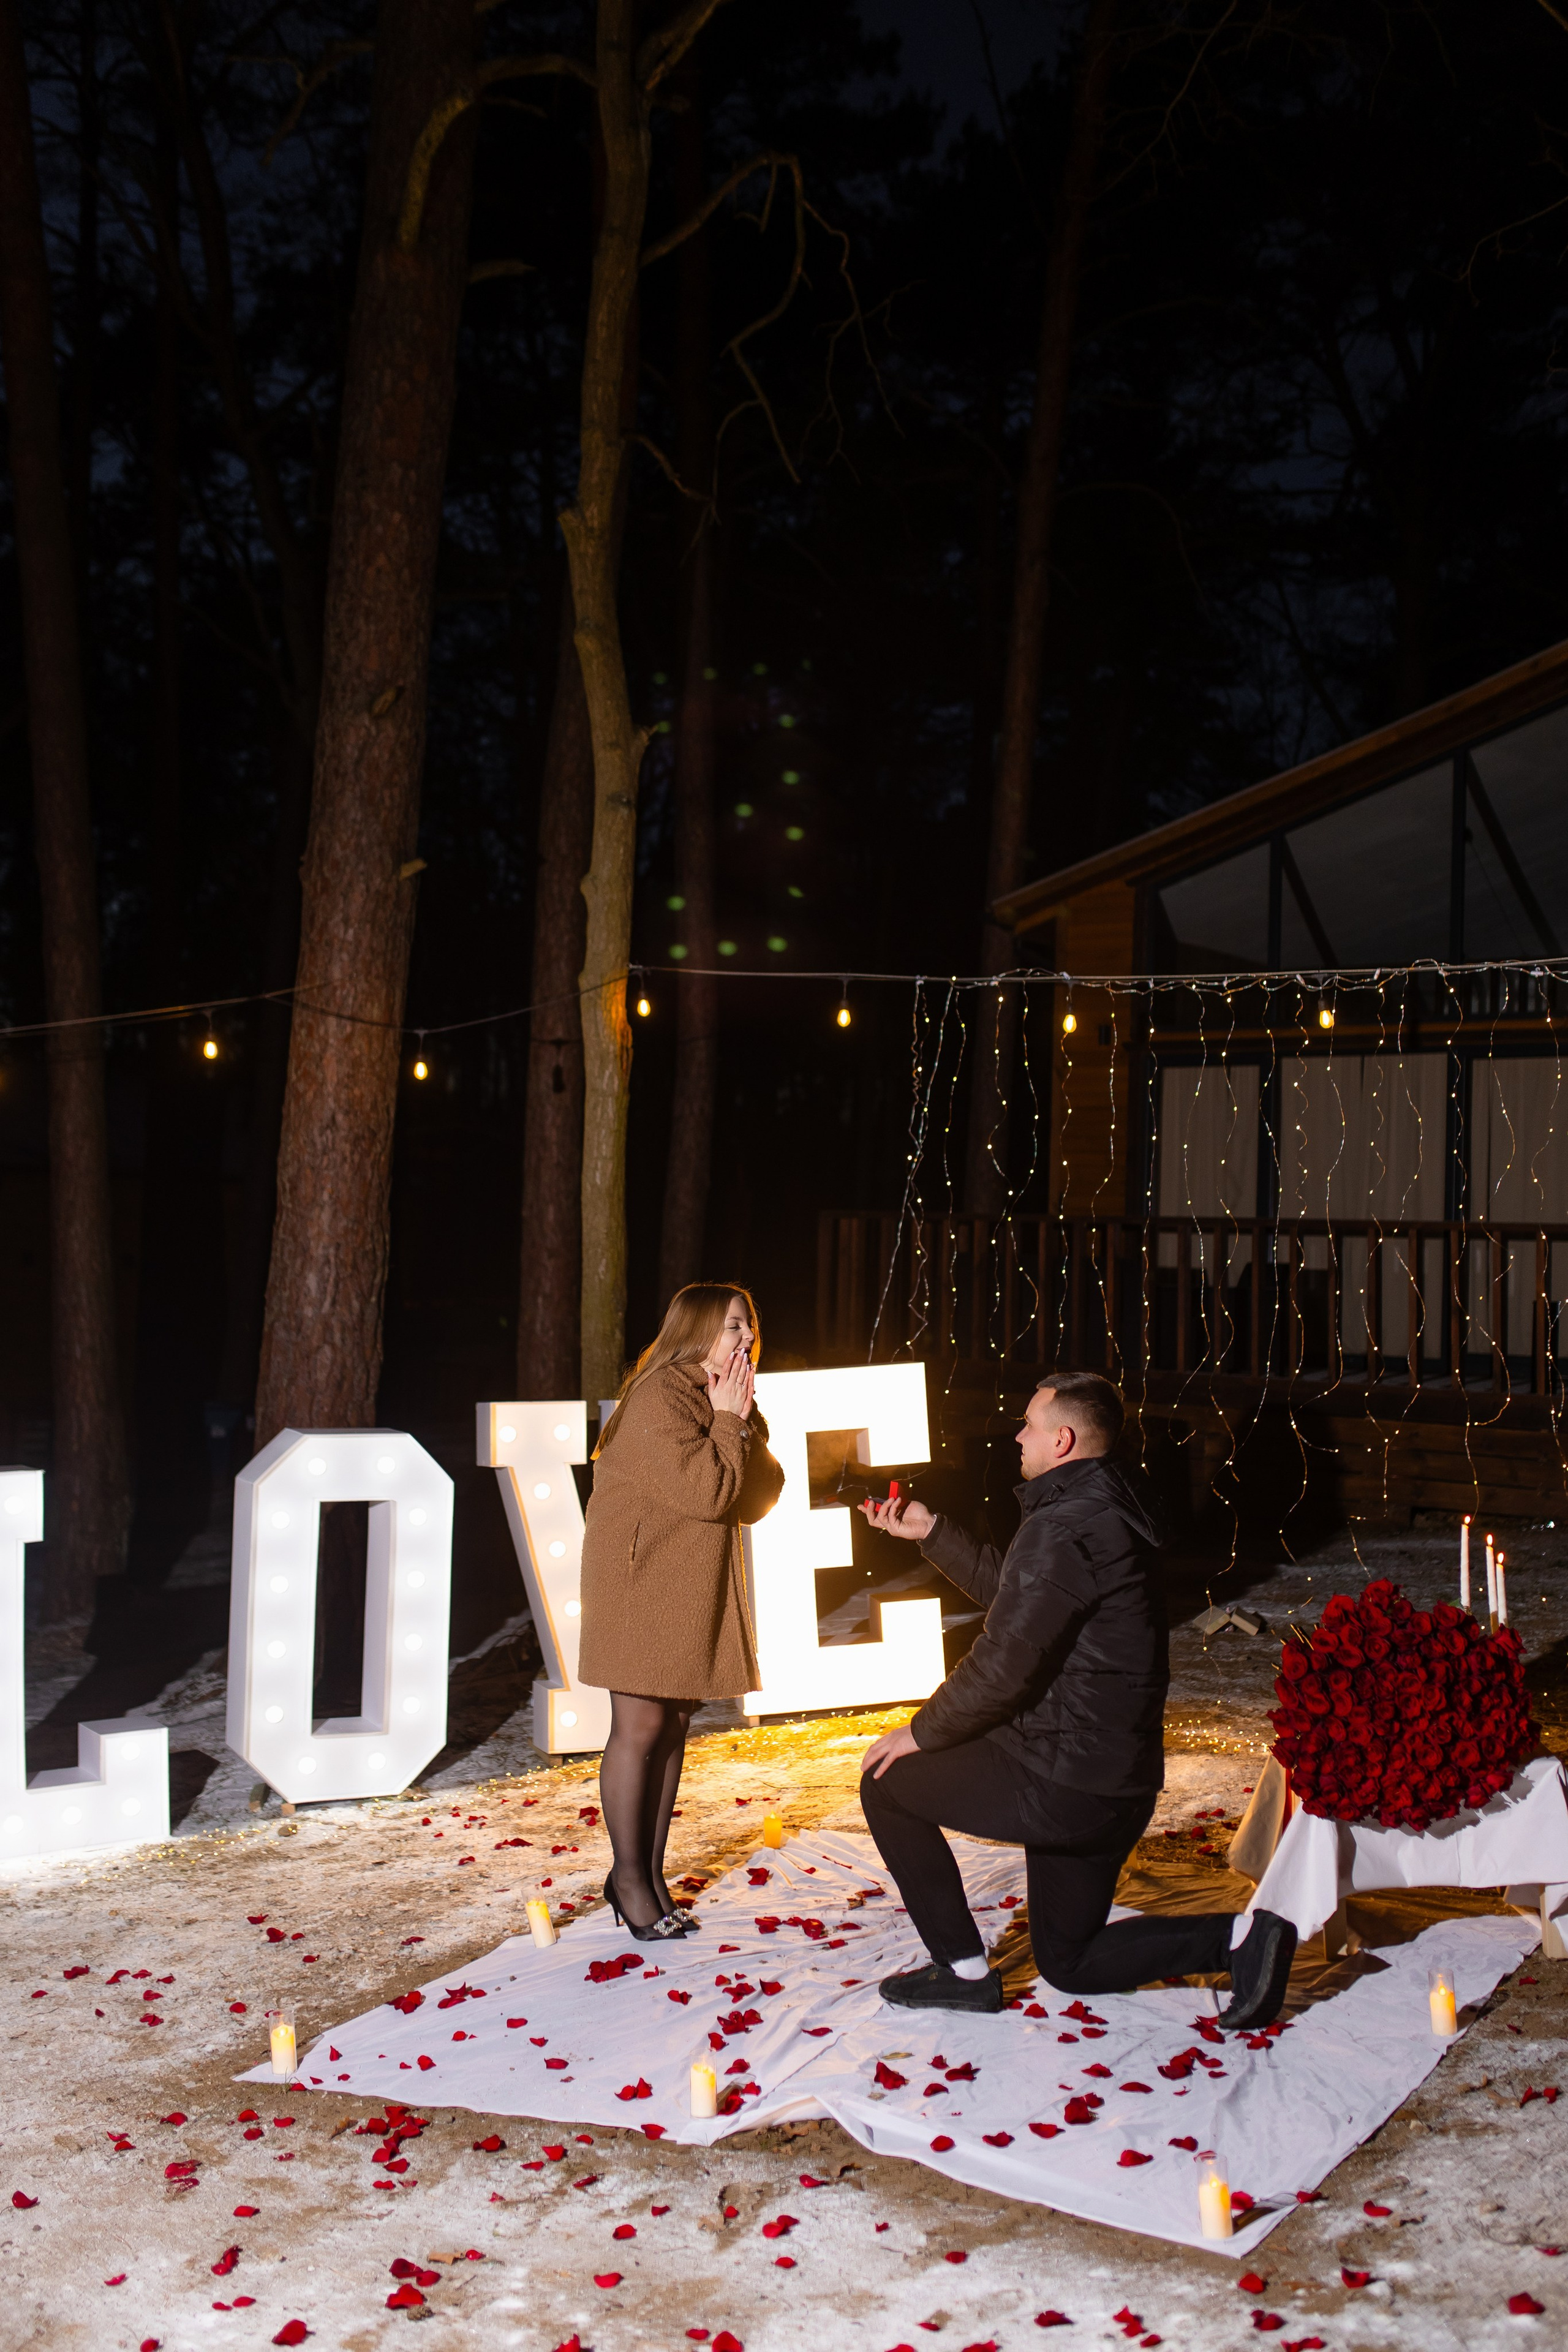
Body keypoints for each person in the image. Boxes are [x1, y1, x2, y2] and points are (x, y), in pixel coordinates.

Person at [857, 1370, 1295, 2026]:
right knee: (1069, 1962)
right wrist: (931, 1532)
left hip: (1065, 1778)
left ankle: (962, 1972)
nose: (1017, 1434)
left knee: (887, 1783)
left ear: (1061, 1440)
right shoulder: (1105, 1505)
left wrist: (919, 1734)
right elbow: (1027, 1597)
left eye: (1029, 1424)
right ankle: (1239, 1942)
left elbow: (1005, 1665)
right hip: (1112, 1782)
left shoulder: (1063, 1526)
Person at [578, 1283, 784, 1940]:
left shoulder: (719, 1395)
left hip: (687, 1585)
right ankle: (629, 1881)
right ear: (696, 1331)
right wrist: (729, 1420)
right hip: (640, 1586)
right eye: (732, 1328)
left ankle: (649, 1873)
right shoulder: (659, 1396)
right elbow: (707, 1490)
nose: (745, 1340)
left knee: (670, 1730)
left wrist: (740, 1419)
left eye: (749, 1329)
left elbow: (756, 1496)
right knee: (639, 1730)